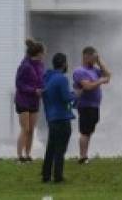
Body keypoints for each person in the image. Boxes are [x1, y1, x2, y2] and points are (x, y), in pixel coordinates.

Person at [71, 46, 111, 164]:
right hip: (85, 105)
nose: (94, 60)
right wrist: (101, 81)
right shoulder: (79, 71)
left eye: (96, 58)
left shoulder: (94, 70)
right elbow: (87, 87)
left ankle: (85, 155)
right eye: (93, 57)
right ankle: (82, 157)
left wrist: (99, 61)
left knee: (89, 131)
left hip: (94, 105)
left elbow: (108, 75)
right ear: (86, 56)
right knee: (84, 131)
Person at [41, 52, 76, 184]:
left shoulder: (48, 77)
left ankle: (46, 175)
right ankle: (58, 177)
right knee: (60, 149)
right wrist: (76, 95)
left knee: (51, 148)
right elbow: (66, 98)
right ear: (63, 64)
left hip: (52, 118)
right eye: (66, 62)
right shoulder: (62, 79)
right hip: (62, 118)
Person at [14, 38, 45, 163]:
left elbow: (41, 80)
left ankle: (28, 154)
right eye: (43, 53)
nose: (44, 55)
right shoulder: (25, 66)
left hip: (34, 101)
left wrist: (44, 89)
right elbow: (19, 84)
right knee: (25, 128)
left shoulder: (41, 65)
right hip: (23, 100)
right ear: (38, 54)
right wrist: (33, 90)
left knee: (32, 129)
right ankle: (19, 156)